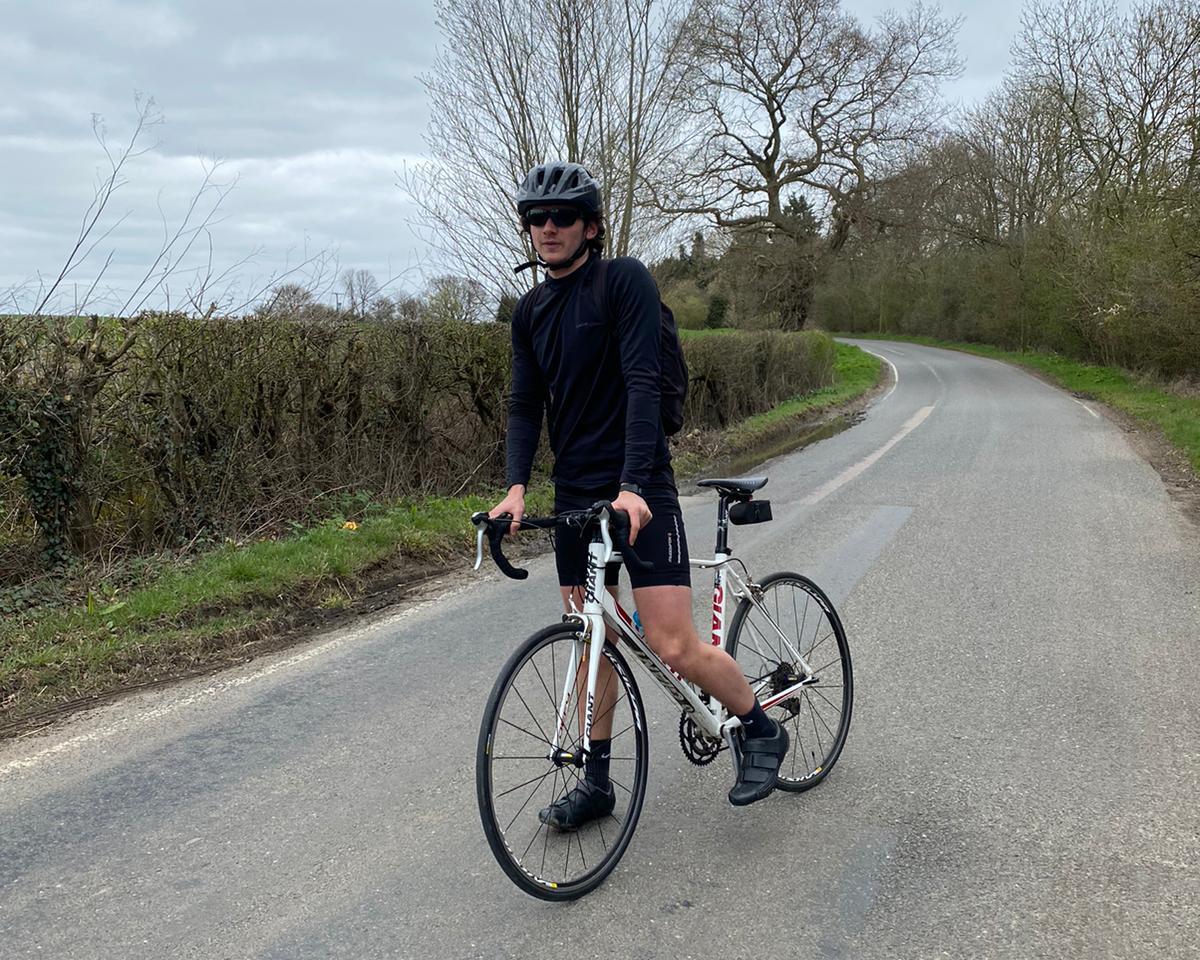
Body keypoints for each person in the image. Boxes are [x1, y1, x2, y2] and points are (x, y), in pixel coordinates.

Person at [488, 161, 788, 829]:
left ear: (590, 226)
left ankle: (759, 727)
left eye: (562, 217)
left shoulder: (622, 281)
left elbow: (644, 383)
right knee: (591, 639)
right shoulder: (531, 310)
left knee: (674, 645)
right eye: (536, 218)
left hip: (639, 485)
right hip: (576, 495)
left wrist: (632, 485)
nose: (548, 229)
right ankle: (596, 783)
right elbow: (523, 406)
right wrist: (513, 491)